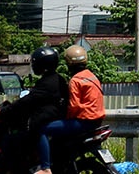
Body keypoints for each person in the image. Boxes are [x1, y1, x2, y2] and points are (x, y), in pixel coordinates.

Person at [0, 46, 67, 173]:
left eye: (35, 63)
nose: (33, 66)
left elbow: (28, 101)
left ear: (42, 64)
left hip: (46, 121)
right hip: (54, 118)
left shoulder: (47, 83)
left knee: (16, 139)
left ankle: (45, 168)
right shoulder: (57, 79)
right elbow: (32, 99)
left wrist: (4, 111)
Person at [37, 44, 106, 174]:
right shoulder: (91, 76)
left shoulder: (75, 80)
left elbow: (74, 106)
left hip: (83, 122)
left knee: (42, 129)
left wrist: (63, 117)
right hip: (97, 121)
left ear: (69, 63)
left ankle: (45, 168)